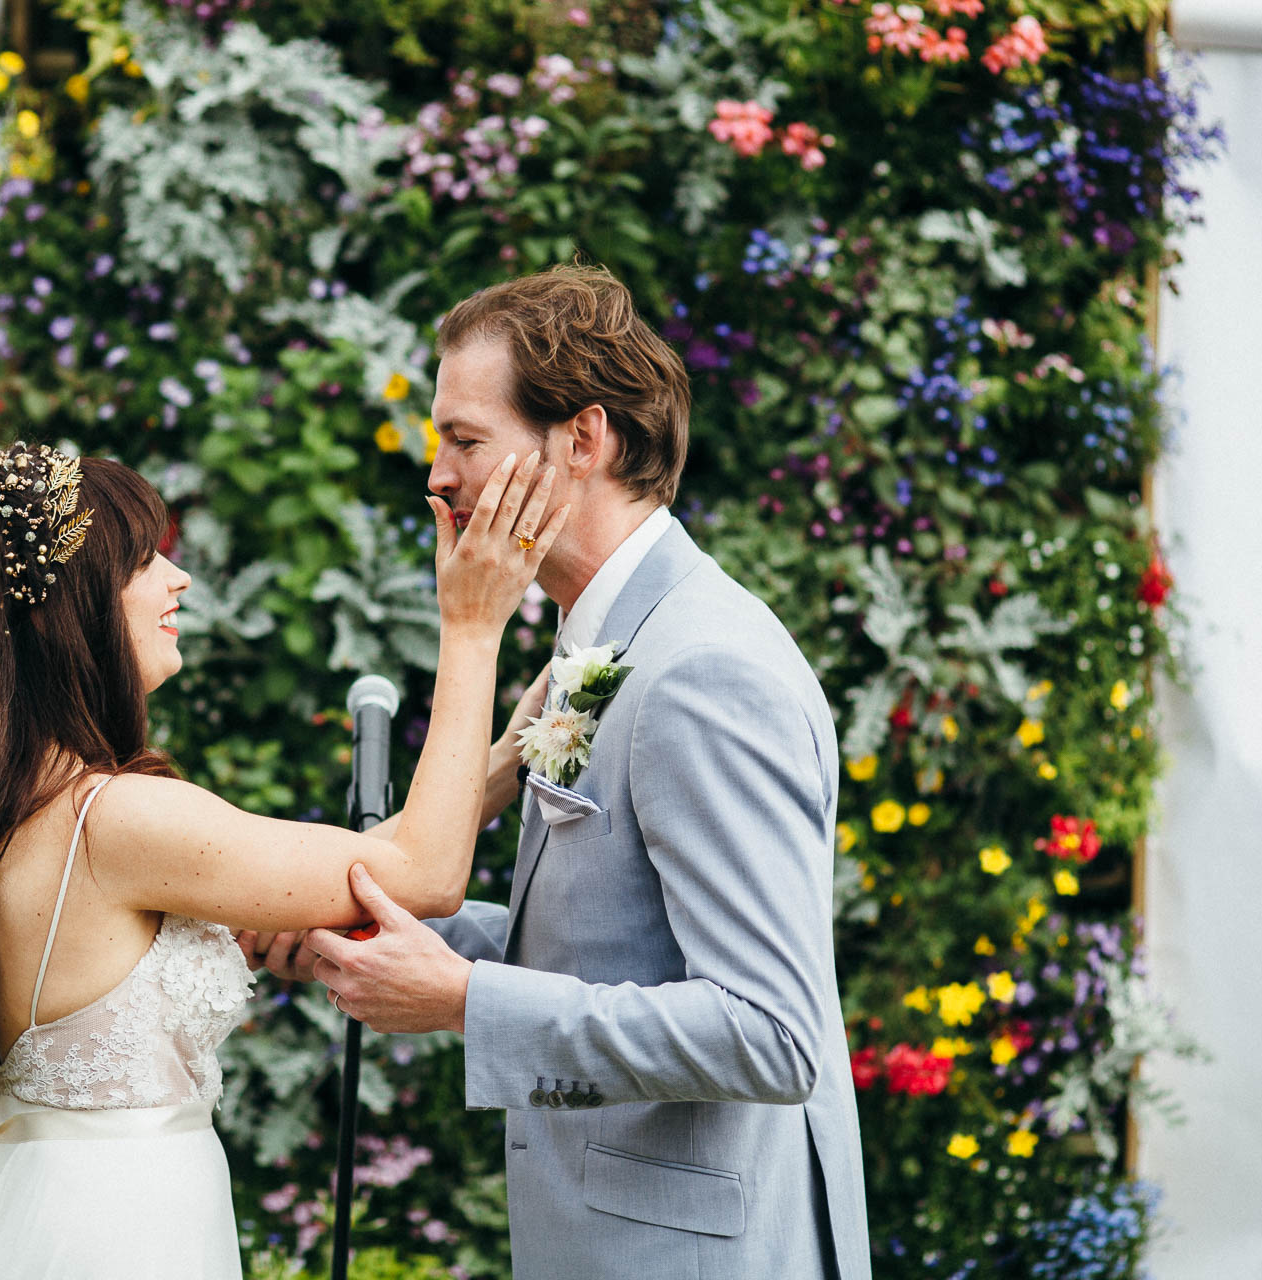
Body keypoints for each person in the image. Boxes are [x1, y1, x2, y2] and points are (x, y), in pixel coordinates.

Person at [242, 264, 873, 1279]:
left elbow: (772, 1032)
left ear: (583, 441)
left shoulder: (701, 667)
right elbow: (617, 942)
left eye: (465, 439)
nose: (436, 474)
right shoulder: (604, 644)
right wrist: (389, 935)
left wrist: (464, 999)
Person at [0, 439, 568, 1280]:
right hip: (121, 1234)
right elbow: (422, 875)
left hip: (67, 1211)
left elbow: (373, 864)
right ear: (58, 613)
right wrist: (472, 628)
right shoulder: (117, 818)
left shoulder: (16, 809)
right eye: (144, 561)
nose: (178, 580)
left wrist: (507, 762)